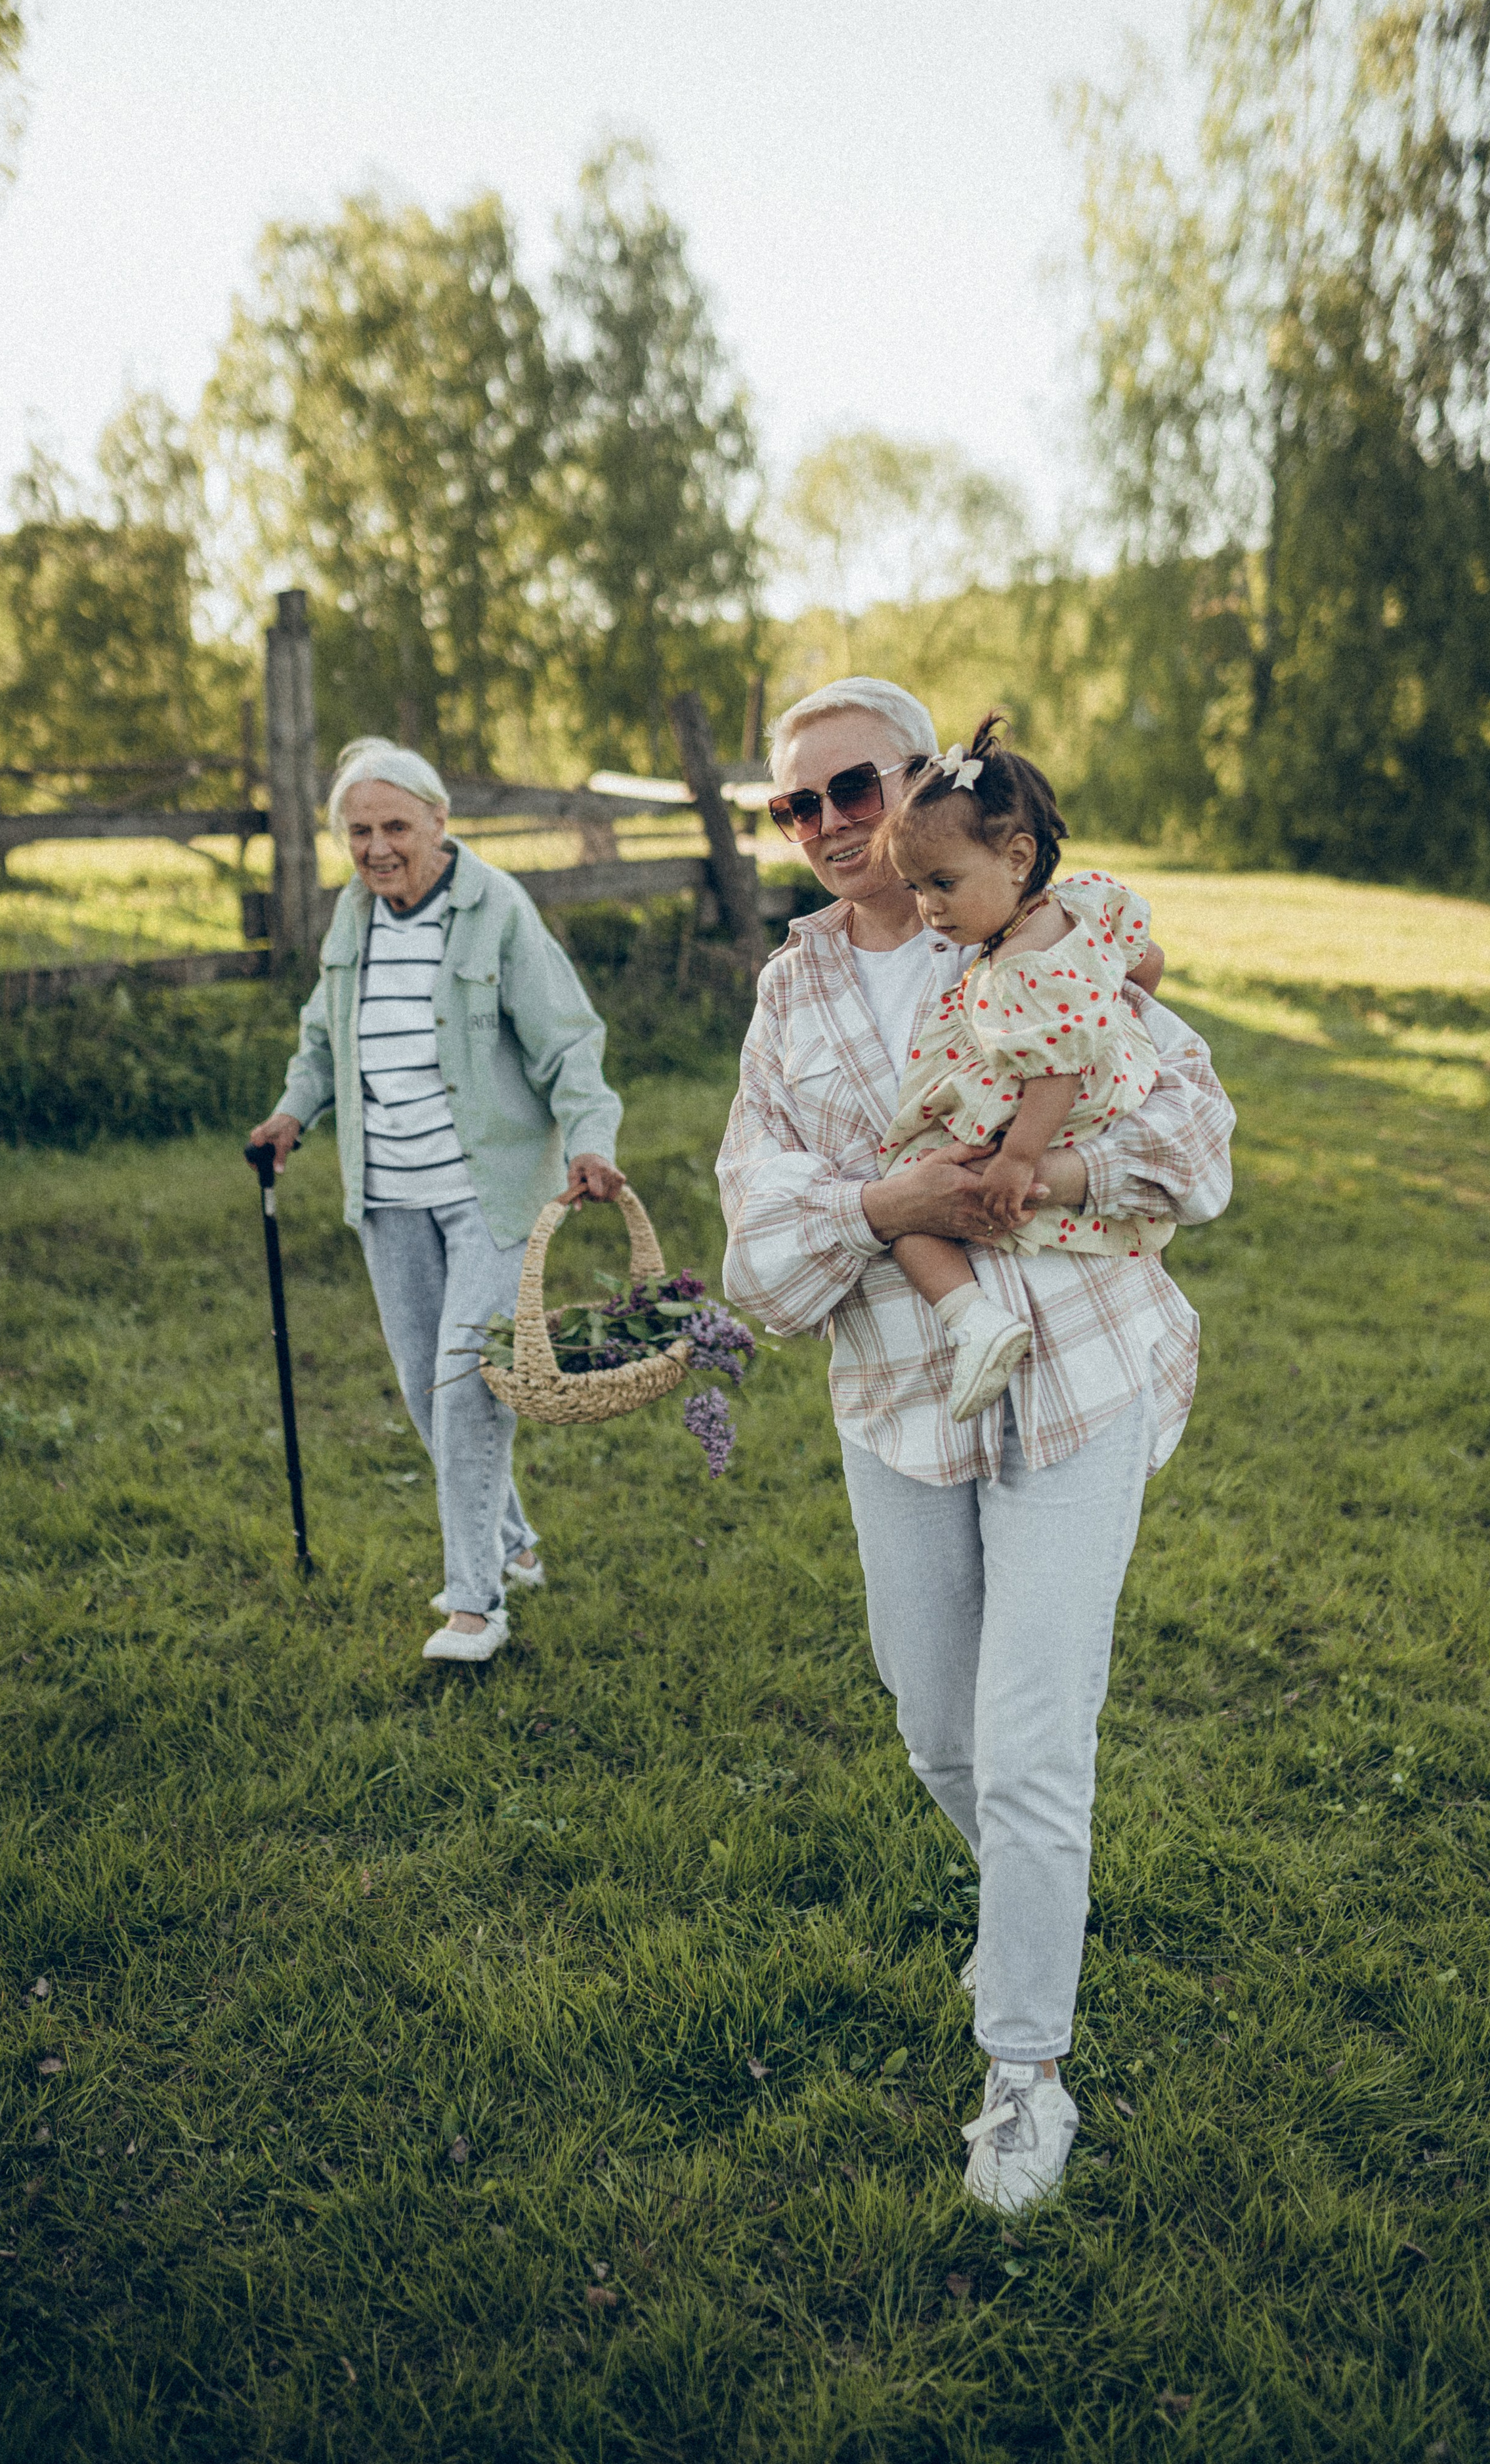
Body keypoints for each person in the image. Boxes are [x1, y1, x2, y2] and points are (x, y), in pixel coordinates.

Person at [717, 678, 1233, 2213]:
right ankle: (1029, 1888)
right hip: (897, 1391)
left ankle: (1023, 2069)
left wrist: (1038, 1167)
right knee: (937, 1726)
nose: (823, 828)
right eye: (790, 806)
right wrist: (889, 1209)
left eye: (849, 789)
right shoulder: (787, 1001)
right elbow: (759, 1260)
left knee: (1025, 1741)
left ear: (930, 784)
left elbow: (1193, 1146)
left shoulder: (1065, 939)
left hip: (1077, 1376)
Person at [246, 738, 625, 1665]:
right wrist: (294, 1112)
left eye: (395, 827)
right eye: (359, 831)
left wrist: (590, 1140)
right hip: (387, 1194)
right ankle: (515, 1542)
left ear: (439, 823)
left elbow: (568, 1041)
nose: (377, 849)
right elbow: (320, 1035)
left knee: (465, 1384)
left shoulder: (496, 909)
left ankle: (474, 1604)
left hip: (487, 1191)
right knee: (428, 1389)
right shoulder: (355, 917)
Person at [872, 713, 1172, 1421]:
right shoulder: (1082, 905)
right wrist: (1112, 1011)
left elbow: (1056, 1070)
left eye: (943, 882)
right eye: (917, 888)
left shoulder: (1020, 966)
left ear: (1016, 857)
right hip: (1091, 1083)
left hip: (1038, 1115)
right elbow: (1146, 960)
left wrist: (1016, 1158)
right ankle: (985, 1317)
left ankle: (975, 1321)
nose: (929, 908)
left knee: (906, 1197)